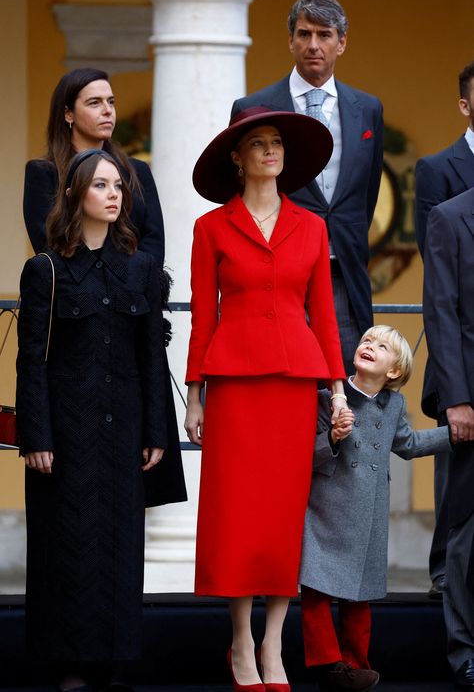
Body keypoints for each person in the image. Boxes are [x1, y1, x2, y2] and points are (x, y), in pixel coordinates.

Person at [184, 105, 346, 692]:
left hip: (294, 387)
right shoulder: (211, 228)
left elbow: (324, 314)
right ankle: (240, 640)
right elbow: (204, 313)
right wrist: (194, 394)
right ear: (238, 156)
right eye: (259, 143)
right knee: (236, 517)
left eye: (277, 142)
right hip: (234, 386)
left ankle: (274, 643)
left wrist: (337, 390)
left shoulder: (312, 226)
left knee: (282, 518)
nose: (271, 151)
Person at [16, 149, 186, 692]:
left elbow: (149, 358)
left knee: (118, 547)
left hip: (123, 433)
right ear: (75, 195)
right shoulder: (45, 268)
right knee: (64, 546)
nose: (115, 195)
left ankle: (113, 661)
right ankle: (67, 665)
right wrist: (35, 435)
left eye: (119, 186)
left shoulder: (138, 267)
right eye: (102, 186)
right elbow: (30, 361)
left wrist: (158, 432)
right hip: (63, 436)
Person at [231, 0, 384, 374]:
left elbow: (367, 193)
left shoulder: (367, 108)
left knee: (350, 385)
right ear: (290, 40)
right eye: (304, 34)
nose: (313, 45)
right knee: (283, 378)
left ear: (342, 42)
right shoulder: (255, 107)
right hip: (278, 273)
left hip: (344, 273)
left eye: (324, 34)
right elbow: (242, 194)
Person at [299, 325, 452, 692]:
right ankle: (329, 665)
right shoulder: (327, 398)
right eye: (367, 340)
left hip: (368, 513)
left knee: (359, 593)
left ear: (394, 371)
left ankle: (355, 664)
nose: (369, 345)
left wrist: (454, 434)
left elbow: (409, 443)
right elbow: (305, 455)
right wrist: (333, 437)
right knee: (316, 589)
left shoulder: (394, 404)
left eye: (381, 346)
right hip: (325, 510)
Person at [414, 60, 474, 599]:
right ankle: (443, 574)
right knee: (455, 477)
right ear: (464, 104)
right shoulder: (438, 169)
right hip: (458, 345)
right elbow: (439, 277)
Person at [23, 67, 166, 268]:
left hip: (133, 293)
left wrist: (130, 285)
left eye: (111, 101)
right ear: (68, 114)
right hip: (72, 293)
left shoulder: (138, 170)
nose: (107, 110)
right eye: (94, 103)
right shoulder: (44, 173)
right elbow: (49, 245)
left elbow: (154, 244)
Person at [423, 187, 474, 690]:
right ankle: (466, 651)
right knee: (466, 535)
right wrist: (457, 399)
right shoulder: (449, 217)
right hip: (471, 401)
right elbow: (440, 313)